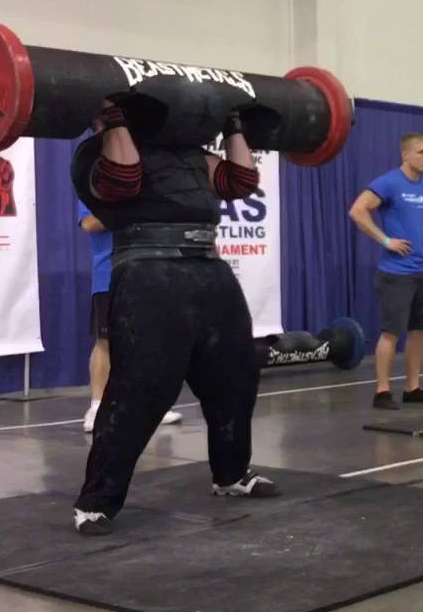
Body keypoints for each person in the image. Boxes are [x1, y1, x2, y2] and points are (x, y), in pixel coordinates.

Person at [70, 100, 279, 535]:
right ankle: (96, 501)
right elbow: (124, 178)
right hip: (148, 271)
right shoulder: (92, 154)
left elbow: (240, 181)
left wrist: (232, 123)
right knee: (141, 389)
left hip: (208, 267)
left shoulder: (190, 155)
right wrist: (113, 116)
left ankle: (230, 475)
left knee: (236, 379)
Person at [348, 133, 423, 410]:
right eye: (421, 152)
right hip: (396, 273)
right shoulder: (389, 182)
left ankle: (412, 389)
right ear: (405, 155)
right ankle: (382, 391)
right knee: (391, 332)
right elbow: (357, 211)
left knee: (418, 330)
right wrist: (386, 240)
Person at [77, 202, 183, 433]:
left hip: (148, 273)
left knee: (151, 343)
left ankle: (152, 406)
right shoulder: (94, 188)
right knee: (105, 342)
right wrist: (130, 210)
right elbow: (89, 223)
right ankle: (97, 407)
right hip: (109, 276)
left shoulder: (146, 189)